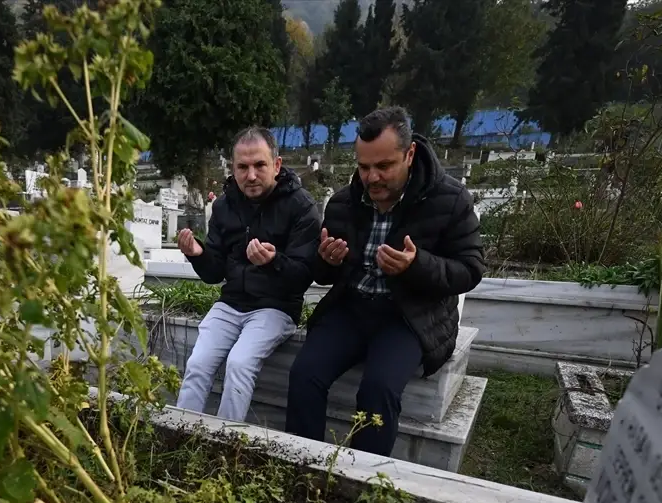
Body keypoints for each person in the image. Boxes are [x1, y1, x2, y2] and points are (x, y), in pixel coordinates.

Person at [284, 106, 484, 457]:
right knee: (304, 374)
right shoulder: (344, 203)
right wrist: (327, 261)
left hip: (410, 316)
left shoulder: (450, 200)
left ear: (410, 154)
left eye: (384, 166)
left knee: (378, 389)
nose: (372, 177)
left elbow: (470, 269)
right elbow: (323, 275)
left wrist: (416, 265)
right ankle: (304, 465)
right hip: (352, 307)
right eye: (364, 167)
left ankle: (361, 479)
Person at [174, 127, 321, 422]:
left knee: (239, 364)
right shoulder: (224, 205)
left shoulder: (301, 206)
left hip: (276, 307)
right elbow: (215, 272)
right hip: (231, 304)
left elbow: (305, 274)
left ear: (276, 165)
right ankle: (178, 433)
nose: (251, 175)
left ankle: (225, 441)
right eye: (242, 167)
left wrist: (273, 261)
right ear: (233, 168)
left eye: (259, 165)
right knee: (198, 364)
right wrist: (198, 254)